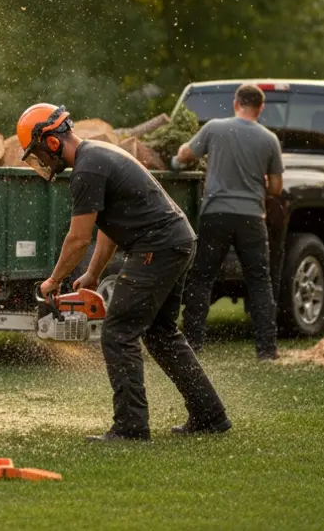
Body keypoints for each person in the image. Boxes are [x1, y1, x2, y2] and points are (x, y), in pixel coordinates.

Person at [19, 103, 231, 442]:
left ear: (53, 142)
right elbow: (109, 229)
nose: (41, 159)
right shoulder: (97, 156)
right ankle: (210, 413)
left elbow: (77, 238)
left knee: (118, 333)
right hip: (175, 242)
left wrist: (54, 280)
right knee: (161, 333)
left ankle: (131, 426)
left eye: (39, 151)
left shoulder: (87, 169)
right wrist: (91, 274)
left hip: (157, 247)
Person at [173, 83, 284, 359]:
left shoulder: (215, 128)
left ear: (236, 103)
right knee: (259, 281)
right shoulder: (269, 139)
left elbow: (186, 156)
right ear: (261, 107)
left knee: (202, 278)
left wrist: (177, 159)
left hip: (216, 215)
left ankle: (193, 344)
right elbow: (276, 188)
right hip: (252, 219)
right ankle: (267, 350)